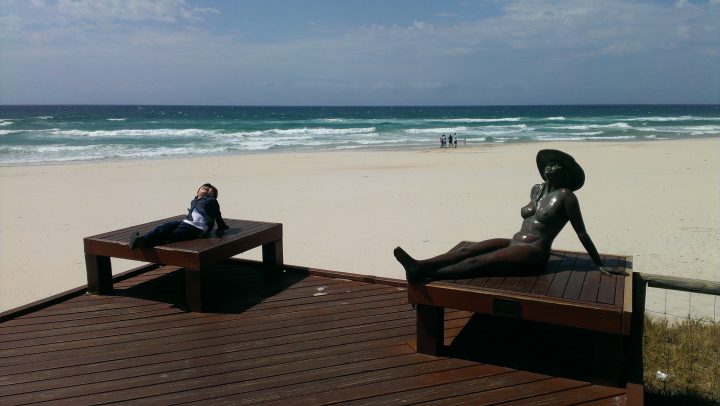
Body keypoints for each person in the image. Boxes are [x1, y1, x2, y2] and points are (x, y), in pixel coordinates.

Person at [393, 149, 627, 282]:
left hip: (534, 252)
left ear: (565, 172)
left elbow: (582, 233)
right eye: (548, 164)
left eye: (555, 165)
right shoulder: (537, 189)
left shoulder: (567, 197)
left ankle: (428, 276)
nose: (549, 167)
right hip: (515, 241)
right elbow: (531, 216)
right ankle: (419, 265)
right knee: (467, 250)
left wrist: (598, 264)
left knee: (479, 262)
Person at [129, 183, 229, 249]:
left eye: (211, 189)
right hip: (185, 223)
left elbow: (217, 214)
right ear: (197, 193)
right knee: (163, 226)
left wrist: (221, 227)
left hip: (196, 228)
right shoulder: (194, 201)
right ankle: (143, 239)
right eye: (204, 186)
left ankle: (145, 242)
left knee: (171, 235)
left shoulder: (212, 201)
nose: (208, 188)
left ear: (213, 196)